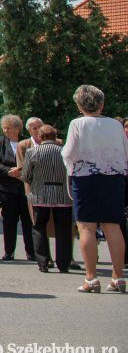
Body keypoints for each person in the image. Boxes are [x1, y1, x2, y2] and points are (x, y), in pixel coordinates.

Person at [61, 85, 128, 293]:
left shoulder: (77, 124)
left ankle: (91, 278)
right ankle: (118, 277)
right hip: (114, 178)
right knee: (113, 226)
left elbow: (68, 153)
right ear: (101, 104)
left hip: (85, 177)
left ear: (80, 105)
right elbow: (125, 151)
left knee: (86, 227)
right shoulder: (116, 125)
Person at [23, 125, 73, 274]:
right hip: (63, 196)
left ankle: (43, 262)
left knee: (39, 228)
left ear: (40, 136)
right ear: (55, 136)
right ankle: (63, 264)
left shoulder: (32, 152)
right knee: (63, 229)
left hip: (40, 195)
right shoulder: (64, 152)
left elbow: (26, 176)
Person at [0, 114, 35, 262]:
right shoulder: (0, 143)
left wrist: (22, 170)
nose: (5, 131)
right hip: (7, 188)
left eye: (8, 128)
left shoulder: (27, 142)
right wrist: (9, 171)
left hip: (25, 187)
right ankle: (9, 251)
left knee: (28, 221)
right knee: (9, 221)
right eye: (4, 128)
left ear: (17, 128)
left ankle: (31, 252)